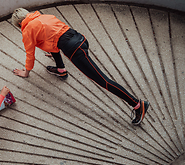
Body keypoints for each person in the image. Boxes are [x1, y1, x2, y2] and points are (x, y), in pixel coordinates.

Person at [11, 8, 149, 125]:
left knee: (103, 81)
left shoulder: (27, 30)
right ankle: (61, 70)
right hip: (80, 38)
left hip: (75, 50)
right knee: (57, 47)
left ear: (19, 24)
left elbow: (30, 54)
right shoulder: (44, 17)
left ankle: (137, 104)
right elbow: (56, 36)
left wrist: (26, 72)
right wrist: (54, 54)